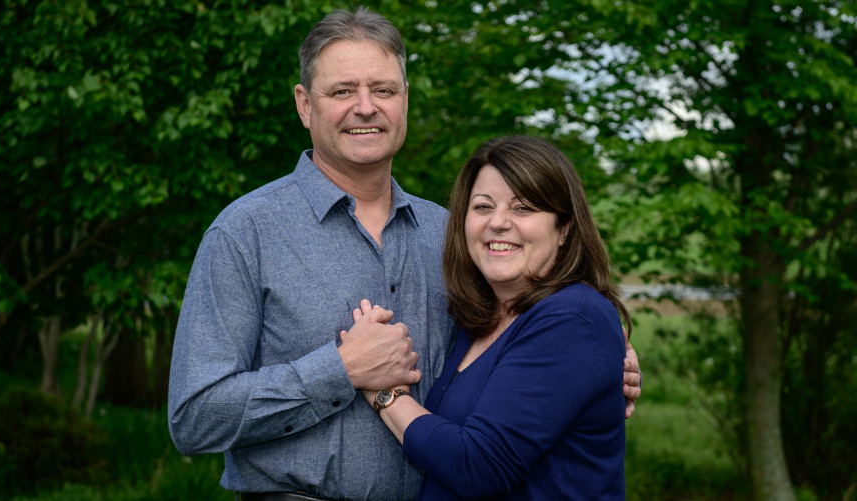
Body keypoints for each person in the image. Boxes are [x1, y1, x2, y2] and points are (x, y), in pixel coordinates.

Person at [167, 7, 642, 501]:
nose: (366, 107)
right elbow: (194, 417)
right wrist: (339, 371)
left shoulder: (456, 237)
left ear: (405, 101)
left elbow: (516, 347)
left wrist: (602, 369)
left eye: (384, 90)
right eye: (342, 91)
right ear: (305, 105)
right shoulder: (245, 232)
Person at [351, 135, 630, 500]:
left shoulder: (573, 318)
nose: (498, 222)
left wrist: (385, 392)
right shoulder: (481, 321)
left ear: (564, 229)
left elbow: (479, 466)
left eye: (523, 208)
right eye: (483, 207)